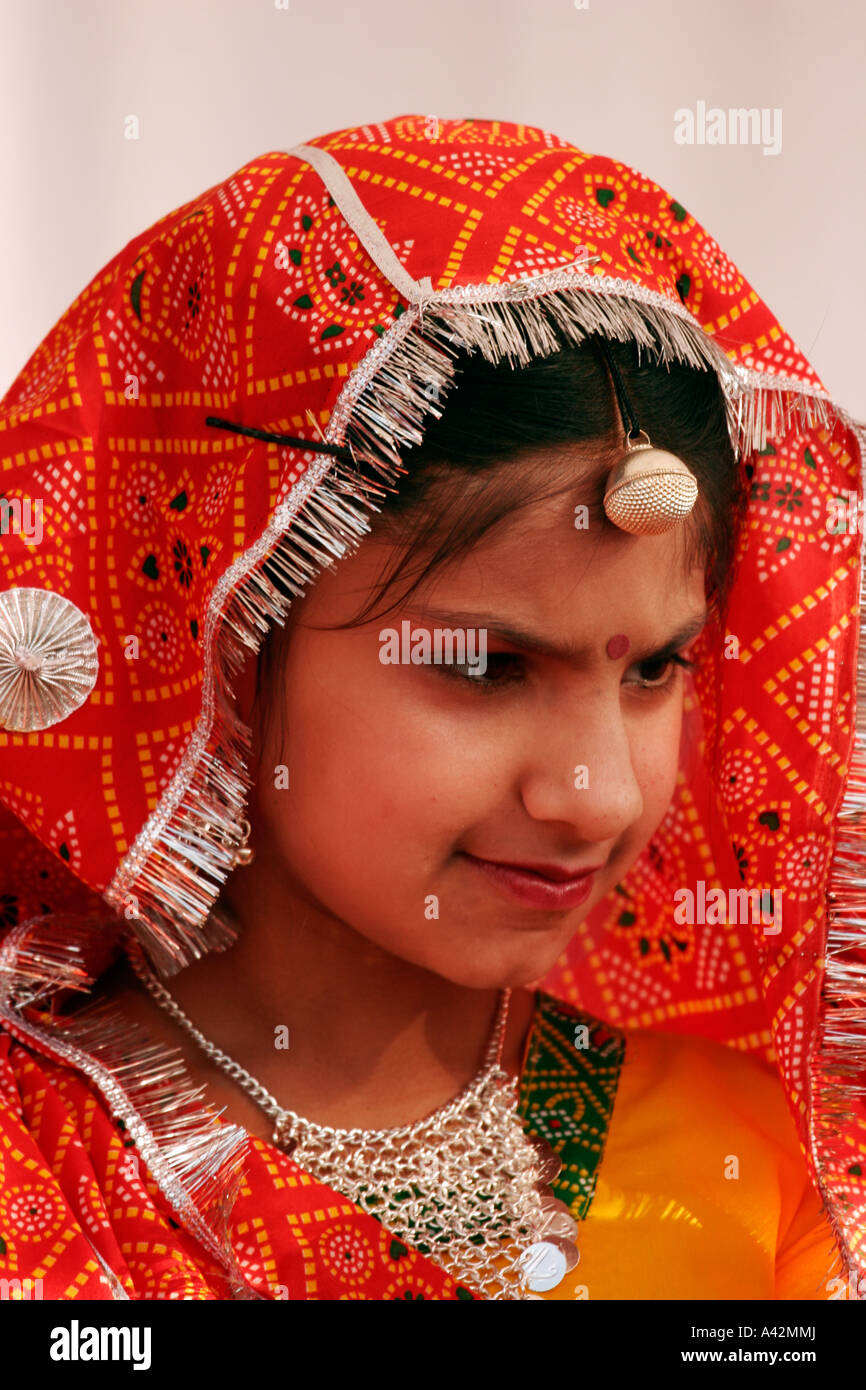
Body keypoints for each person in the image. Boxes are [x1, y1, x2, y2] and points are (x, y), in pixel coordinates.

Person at [0, 113, 864, 1302]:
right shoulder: (39, 1168)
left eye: (653, 668)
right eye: (485, 666)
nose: (599, 793)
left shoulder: (754, 1162)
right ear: (223, 644)